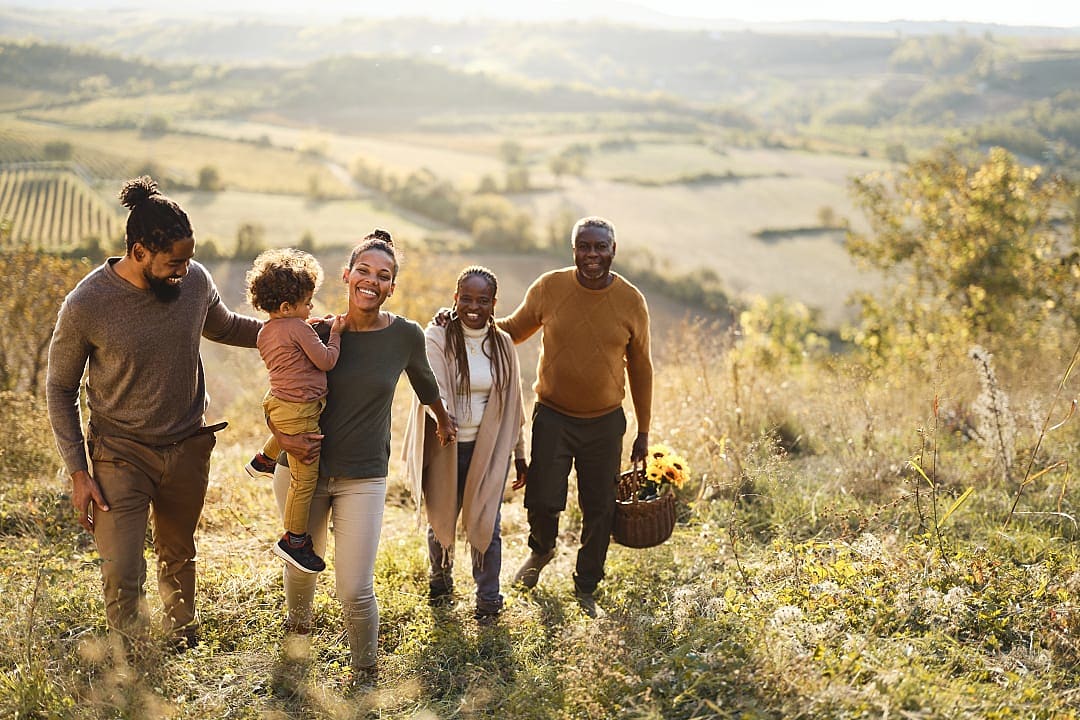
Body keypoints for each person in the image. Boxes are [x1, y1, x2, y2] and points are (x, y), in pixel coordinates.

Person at [45, 175, 262, 650]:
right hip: (120, 453)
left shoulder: (195, 279)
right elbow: (60, 388)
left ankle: (181, 640)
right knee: (122, 568)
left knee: (179, 554)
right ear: (139, 251)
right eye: (173, 263)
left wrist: (292, 330)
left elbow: (225, 326)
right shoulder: (87, 303)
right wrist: (79, 472)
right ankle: (132, 660)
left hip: (187, 446)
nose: (184, 271)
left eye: (187, 260)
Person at [269, 229, 457, 683]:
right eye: (364, 270)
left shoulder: (405, 335)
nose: (372, 280)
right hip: (302, 471)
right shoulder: (315, 331)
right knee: (301, 567)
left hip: (364, 476)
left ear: (392, 286)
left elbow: (425, 383)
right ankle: (297, 647)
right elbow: (279, 397)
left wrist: (443, 419)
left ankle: (366, 673)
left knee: (354, 587)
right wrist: (281, 438)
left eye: (383, 275)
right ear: (347, 275)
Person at [501, 216, 653, 617]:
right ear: (573, 250)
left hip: (605, 422)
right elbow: (513, 330)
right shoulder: (549, 287)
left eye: (600, 247)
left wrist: (644, 431)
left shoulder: (631, 301)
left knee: (600, 506)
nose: (592, 255)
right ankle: (541, 550)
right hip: (553, 415)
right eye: (584, 246)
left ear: (613, 250)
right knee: (542, 497)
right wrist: (467, 319)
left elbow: (641, 368)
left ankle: (587, 584)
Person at [403, 266, 528, 625]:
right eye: (467, 299)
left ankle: (488, 599)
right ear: (455, 299)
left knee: (488, 523)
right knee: (441, 518)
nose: (474, 307)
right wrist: (445, 422)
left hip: (487, 451)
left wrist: (520, 454)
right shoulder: (438, 335)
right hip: (445, 446)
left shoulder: (503, 344)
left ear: (493, 303)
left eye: (482, 300)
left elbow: (514, 404)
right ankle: (440, 585)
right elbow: (433, 387)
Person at [244, 248, 345, 574]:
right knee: (304, 481)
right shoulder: (300, 329)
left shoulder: (265, 331)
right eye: (307, 303)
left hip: (277, 402)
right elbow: (325, 360)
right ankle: (294, 540)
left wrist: (307, 325)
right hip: (300, 411)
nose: (311, 308)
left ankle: (264, 459)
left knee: (285, 426)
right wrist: (335, 334)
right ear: (287, 307)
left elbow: (290, 346)